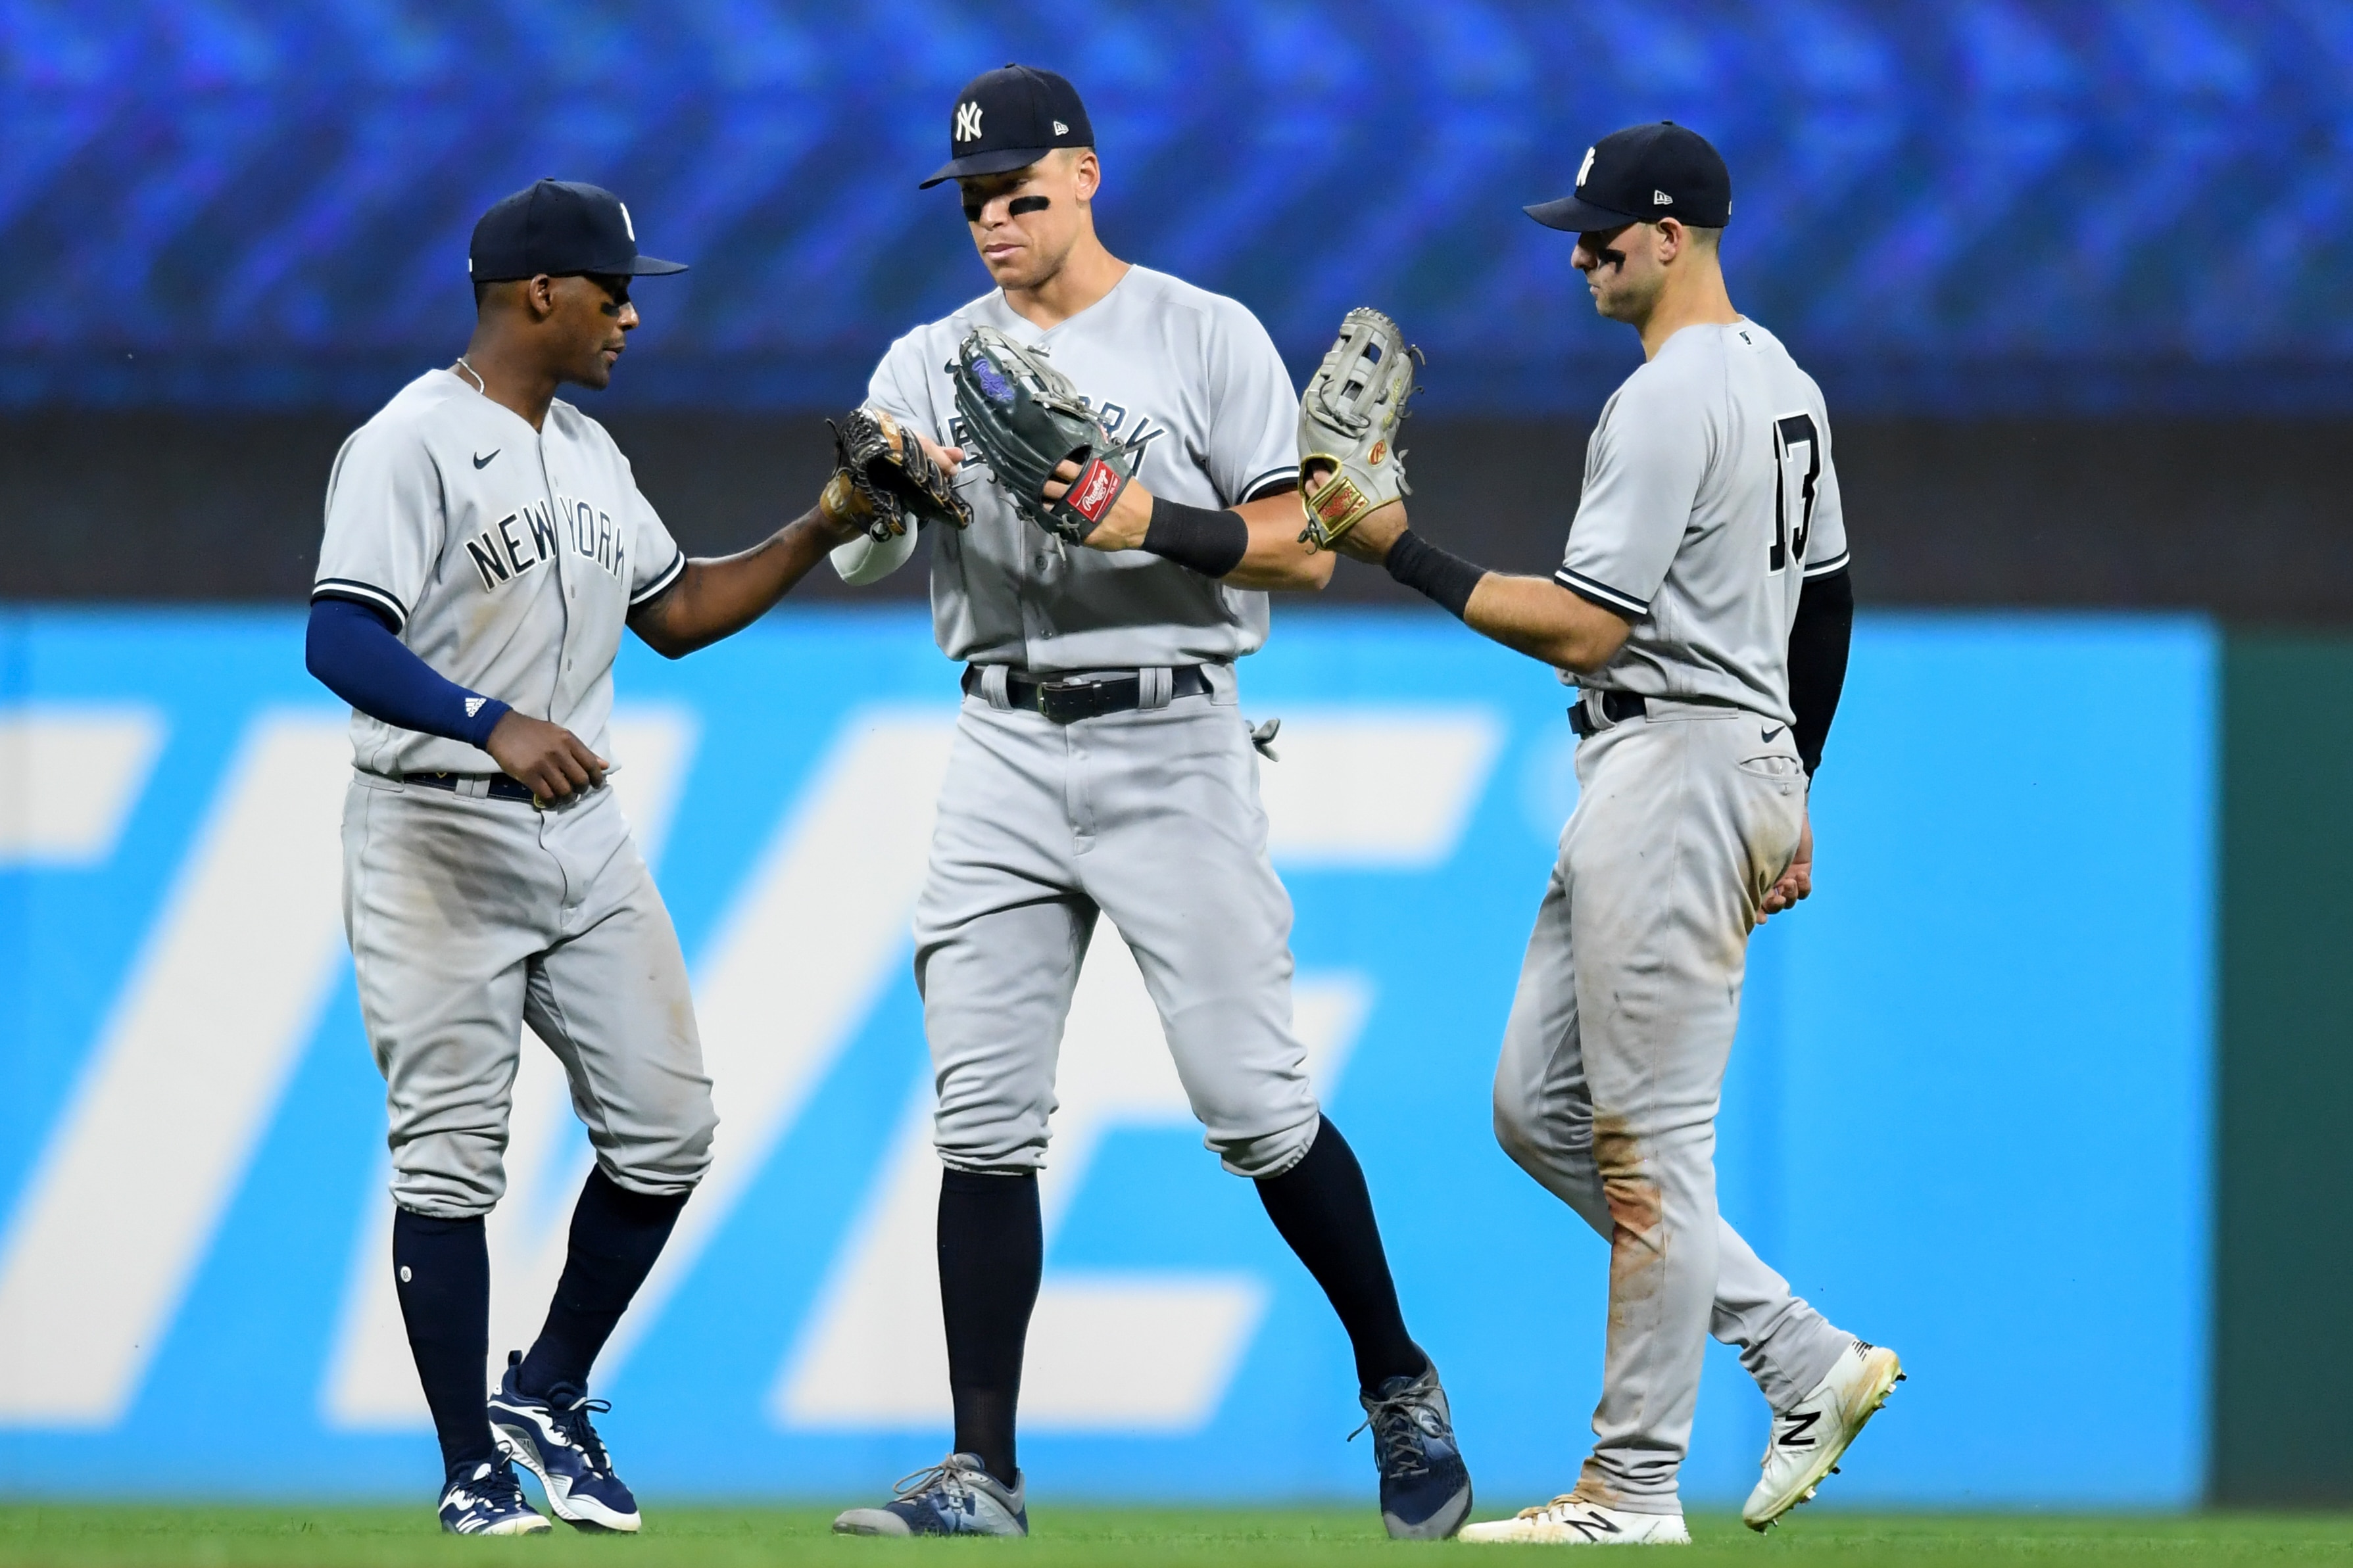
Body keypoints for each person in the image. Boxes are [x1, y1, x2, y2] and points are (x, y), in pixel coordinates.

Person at [822, 64, 1473, 1541]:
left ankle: (1396, 1380)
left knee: (1253, 1103)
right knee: (982, 1116)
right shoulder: (925, 358)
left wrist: (1146, 518)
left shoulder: (1201, 332)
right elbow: (858, 552)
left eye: (1020, 194)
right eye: (973, 200)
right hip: (998, 736)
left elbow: (1303, 547)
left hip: (1172, 729)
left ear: (1088, 176)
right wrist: (875, 492)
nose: (993, 220)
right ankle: (980, 1465)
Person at [1324, 123, 1899, 1545]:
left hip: (1679, 758)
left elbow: (1586, 624)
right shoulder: (1783, 379)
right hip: (1709, 754)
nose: (1575, 252)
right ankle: (1799, 1353)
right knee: (1540, 1109)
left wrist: (1395, 542)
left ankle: (1631, 1486)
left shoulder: (1666, 398)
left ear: (1673, 233)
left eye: (1597, 230)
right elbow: (1824, 596)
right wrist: (1796, 774)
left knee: (1649, 1150)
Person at [304, 178, 880, 1535]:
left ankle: (546, 1390)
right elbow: (338, 634)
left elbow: (675, 612)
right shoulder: (411, 442)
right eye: (614, 290)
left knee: (668, 1127)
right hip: (433, 823)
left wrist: (824, 525)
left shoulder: (588, 452)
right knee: (450, 1158)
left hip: (582, 835)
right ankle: (469, 1469)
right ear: (536, 295)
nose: (631, 313)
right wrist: (486, 718)